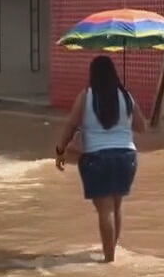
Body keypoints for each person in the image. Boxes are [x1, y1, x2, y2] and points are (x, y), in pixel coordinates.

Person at [52, 55, 149, 264]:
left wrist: (60, 151)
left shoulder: (86, 96)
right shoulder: (126, 97)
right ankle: (112, 252)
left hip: (97, 158)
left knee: (105, 210)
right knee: (116, 206)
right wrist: (125, 116)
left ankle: (109, 260)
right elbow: (142, 127)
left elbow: (70, 126)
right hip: (126, 157)